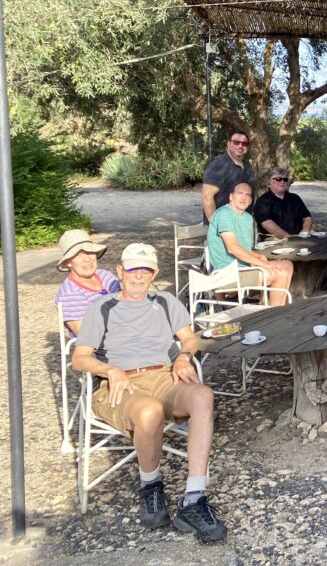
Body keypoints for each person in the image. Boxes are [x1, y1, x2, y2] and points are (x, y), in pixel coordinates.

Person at [71, 243, 227, 540]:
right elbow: (79, 357)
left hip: (163, 376)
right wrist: (110, 370)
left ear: (154, 273)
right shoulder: (101, 308)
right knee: (149, 410)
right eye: (132, 270)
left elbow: (189, 339)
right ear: (120, 271)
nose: (139, 277)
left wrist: (183, 356)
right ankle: (150, 486)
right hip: (121, 384)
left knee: (203, 395)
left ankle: (193, 499)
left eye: (146, 270)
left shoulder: (165, 300)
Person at [207, 181, 294, 305]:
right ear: (231, 196)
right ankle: (276, 313)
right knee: (281, 273)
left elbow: (244, 249)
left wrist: (258, 257)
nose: (243, 197)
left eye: (248, 195)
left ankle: (275, 309)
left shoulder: (247, 218)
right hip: (228, 274)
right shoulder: (224, 214)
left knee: (287, 264)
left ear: (250, 200)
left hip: (243, 269)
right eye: (240, 193)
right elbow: (233, 248)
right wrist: (263, 264)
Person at [54, 229, 120, 335]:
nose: (87, 259)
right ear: (68, 262)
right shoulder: (70, 294)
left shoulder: (105, 276)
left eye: (90, 252)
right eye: (78, 255)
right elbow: (87, 336)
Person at [201, 130, 253, 223]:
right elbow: (207, 197)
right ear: (228, 144)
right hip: (225, 227)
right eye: (236, 142)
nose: (240, 146)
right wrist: (215, 226)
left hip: (242, 224)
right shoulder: (219, 166)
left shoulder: (247, 166)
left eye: (244, 143)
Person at [253, 167, 313, 237]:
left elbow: (307, 217)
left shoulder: (295, 198)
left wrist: (305, 231)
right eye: (278, 179)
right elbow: (267, 223)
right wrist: (288, 237)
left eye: (285, 179)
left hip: (298, 238)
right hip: (274, 241)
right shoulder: (262, 201)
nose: (282, 182)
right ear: (269, 182)